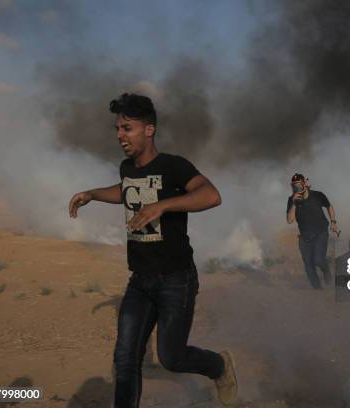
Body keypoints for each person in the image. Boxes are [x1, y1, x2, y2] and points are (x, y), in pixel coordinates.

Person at [68, 93, 237, 407]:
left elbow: (211, 195)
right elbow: (126, 191)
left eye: (127, 128)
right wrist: (92, 194)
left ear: (149, 130)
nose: (120, 135)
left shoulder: (174, 166)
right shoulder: (127, 167)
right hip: (140, 280)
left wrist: (163, 205)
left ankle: (219, 366)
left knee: (171, 357)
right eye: (117, 128)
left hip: (176, 279)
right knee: (125, 358)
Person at [286, 173, 340, 289]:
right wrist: (294, 204)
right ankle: (317, 291)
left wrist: (333, 222)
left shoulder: (317, 195)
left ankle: (327, 272)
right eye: (294, 185)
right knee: (309, 266)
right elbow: (290, 220)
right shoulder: (292, 200)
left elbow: (329, 206)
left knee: (318, 260)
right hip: (304, 237)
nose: (297, 188)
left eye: (299, 184)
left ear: (305, 183)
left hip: (321, 233)